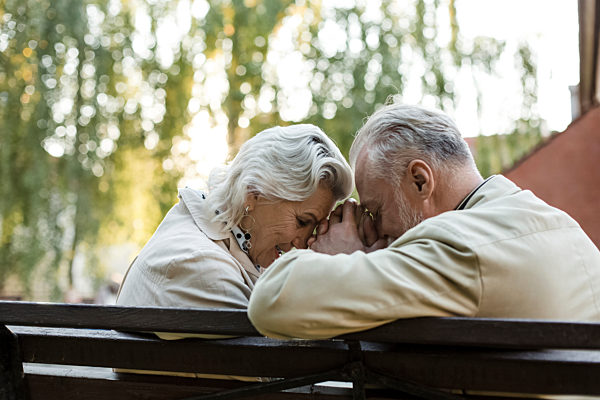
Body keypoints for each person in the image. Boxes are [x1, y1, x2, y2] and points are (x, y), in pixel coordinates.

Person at [248, 103, 600, 340]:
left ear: (420, 180)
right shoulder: (563, 227)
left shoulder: (457, 247)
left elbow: (271, 300)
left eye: (375, 209)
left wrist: (344, 257)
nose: (377, 229)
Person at [117, 124, 353, 340]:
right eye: (303, 221)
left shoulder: (214, 243)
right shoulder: (198, 266)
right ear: (254, 192)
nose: (305, 243)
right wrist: (342, 266)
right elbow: (290, 364)